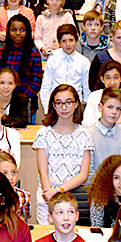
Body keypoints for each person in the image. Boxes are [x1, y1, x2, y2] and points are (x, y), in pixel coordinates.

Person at [33, 85, 93, 224]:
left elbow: (83, 175)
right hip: (47, 197)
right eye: (59, 103)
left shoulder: (85, 135)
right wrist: (50, 194)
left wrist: (59, 191)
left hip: (73, 198)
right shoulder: (43, 133)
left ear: (76, 103)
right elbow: (43, 171)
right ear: (53, 105)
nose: (64, 107)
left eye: (68, 102)